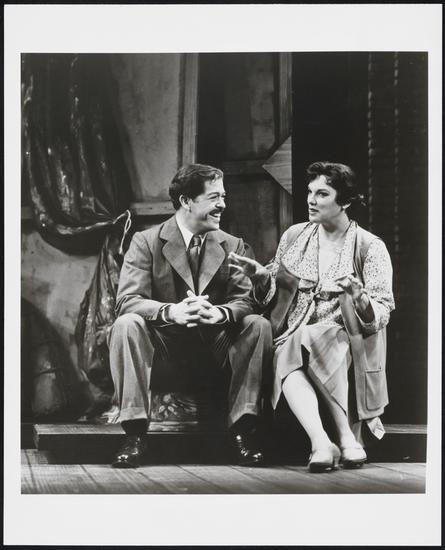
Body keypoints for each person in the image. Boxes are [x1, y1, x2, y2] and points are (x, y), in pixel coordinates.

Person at [229, 161, 395, 473]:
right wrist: (260, 277)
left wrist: (360, 299)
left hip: (345, 337)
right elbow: (272, 298)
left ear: (344, 201)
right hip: (295, 335)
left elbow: (382, 312)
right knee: (292, 344)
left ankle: (336, 438)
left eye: (322, 194)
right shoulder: (295, 237)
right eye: (309, 192)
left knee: (302, 340)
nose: (311, 200)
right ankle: (326, 440)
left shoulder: (370, 247)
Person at [108, 163, 273, 468]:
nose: (223, 204)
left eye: (223, 196)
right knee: (126, 324)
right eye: (214, 197)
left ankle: (243, 431)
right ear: (186, 201)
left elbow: (246, 301)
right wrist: (172, 311)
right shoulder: (146, 241)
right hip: (164, 350)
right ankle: (134, 436)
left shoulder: (233, 245)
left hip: (216, 349)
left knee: (258, 325)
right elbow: (128, 301)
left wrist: (220, 313)